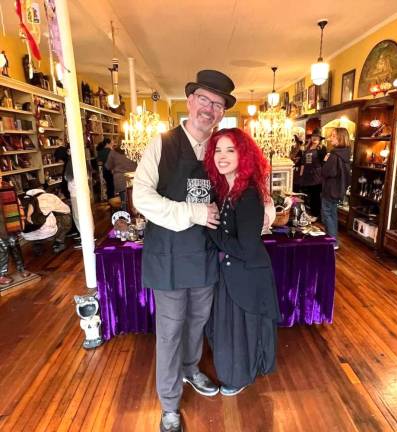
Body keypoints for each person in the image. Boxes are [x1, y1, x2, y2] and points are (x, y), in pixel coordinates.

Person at [132, 70, 236, 432]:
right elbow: (141, 196)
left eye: (217, 104)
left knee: (197, 323)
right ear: (190, 101)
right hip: (170, 257)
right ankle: (170, 404)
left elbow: (236, 189)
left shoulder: (220, 150)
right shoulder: (162, 144)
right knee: (170, 329)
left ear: (222, 112)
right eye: (204, 100)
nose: (209, 108)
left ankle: (191, 370)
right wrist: (190, 212)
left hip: (205, 254)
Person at [204, 127, 280, 396]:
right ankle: (236, 373)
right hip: (232, 272)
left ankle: (240, 377)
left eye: (230, 150)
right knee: (227, 329)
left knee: (240, 330)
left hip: (247, 273)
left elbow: (246, 248)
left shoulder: (247, 193)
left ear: (243, 155)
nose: (222, 156)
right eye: (218, 150)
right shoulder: (227, 188)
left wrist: (209, 228)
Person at [21, 180, 72, 254]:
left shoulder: (22, 201)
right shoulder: (49, 196)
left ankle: (37, 245)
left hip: (27, 235)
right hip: (48, 233)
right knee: (67, 217)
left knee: (35, 222)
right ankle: (59, 243)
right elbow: (66, 210)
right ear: (41, 187)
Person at [321, 127, 351, 250]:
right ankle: (334, 241)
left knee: (327, 214)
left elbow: (327, 172)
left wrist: (324, 163)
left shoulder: (334, 155)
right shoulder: (346, 153)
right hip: (339, 189)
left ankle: (331, 242)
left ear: (341, 138)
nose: (330, 138)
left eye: (334, 135)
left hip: (330, 189)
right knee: (332, 214)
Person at [0, 173, 30, 286]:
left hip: (10, 223)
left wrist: (21, 219)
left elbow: (18, 204)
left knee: (15, 247)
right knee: (2, 251)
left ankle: (21, 268)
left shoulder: (7, 188)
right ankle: (1, 275)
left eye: (0, 176)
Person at [299, 128, 327, 220]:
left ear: (320, 139)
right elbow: (303, 161)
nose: (315, 138)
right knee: (309, 195)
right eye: (313, 136)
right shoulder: (307, 148)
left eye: (317, 137)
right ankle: (310, 213)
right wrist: (301, 174)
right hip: (307, 174)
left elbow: (324, 162)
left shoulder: (322, 148)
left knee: (315, 195)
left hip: (316, 175)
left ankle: (316, 215)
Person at [105, 144, 137, 210]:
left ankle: (126, 216)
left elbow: (107, 166)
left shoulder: (113, 152)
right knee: (136, 202)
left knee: (124, 202)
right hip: (134, 179)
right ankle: (135, 216)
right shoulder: (135, 150)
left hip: (120, 180)